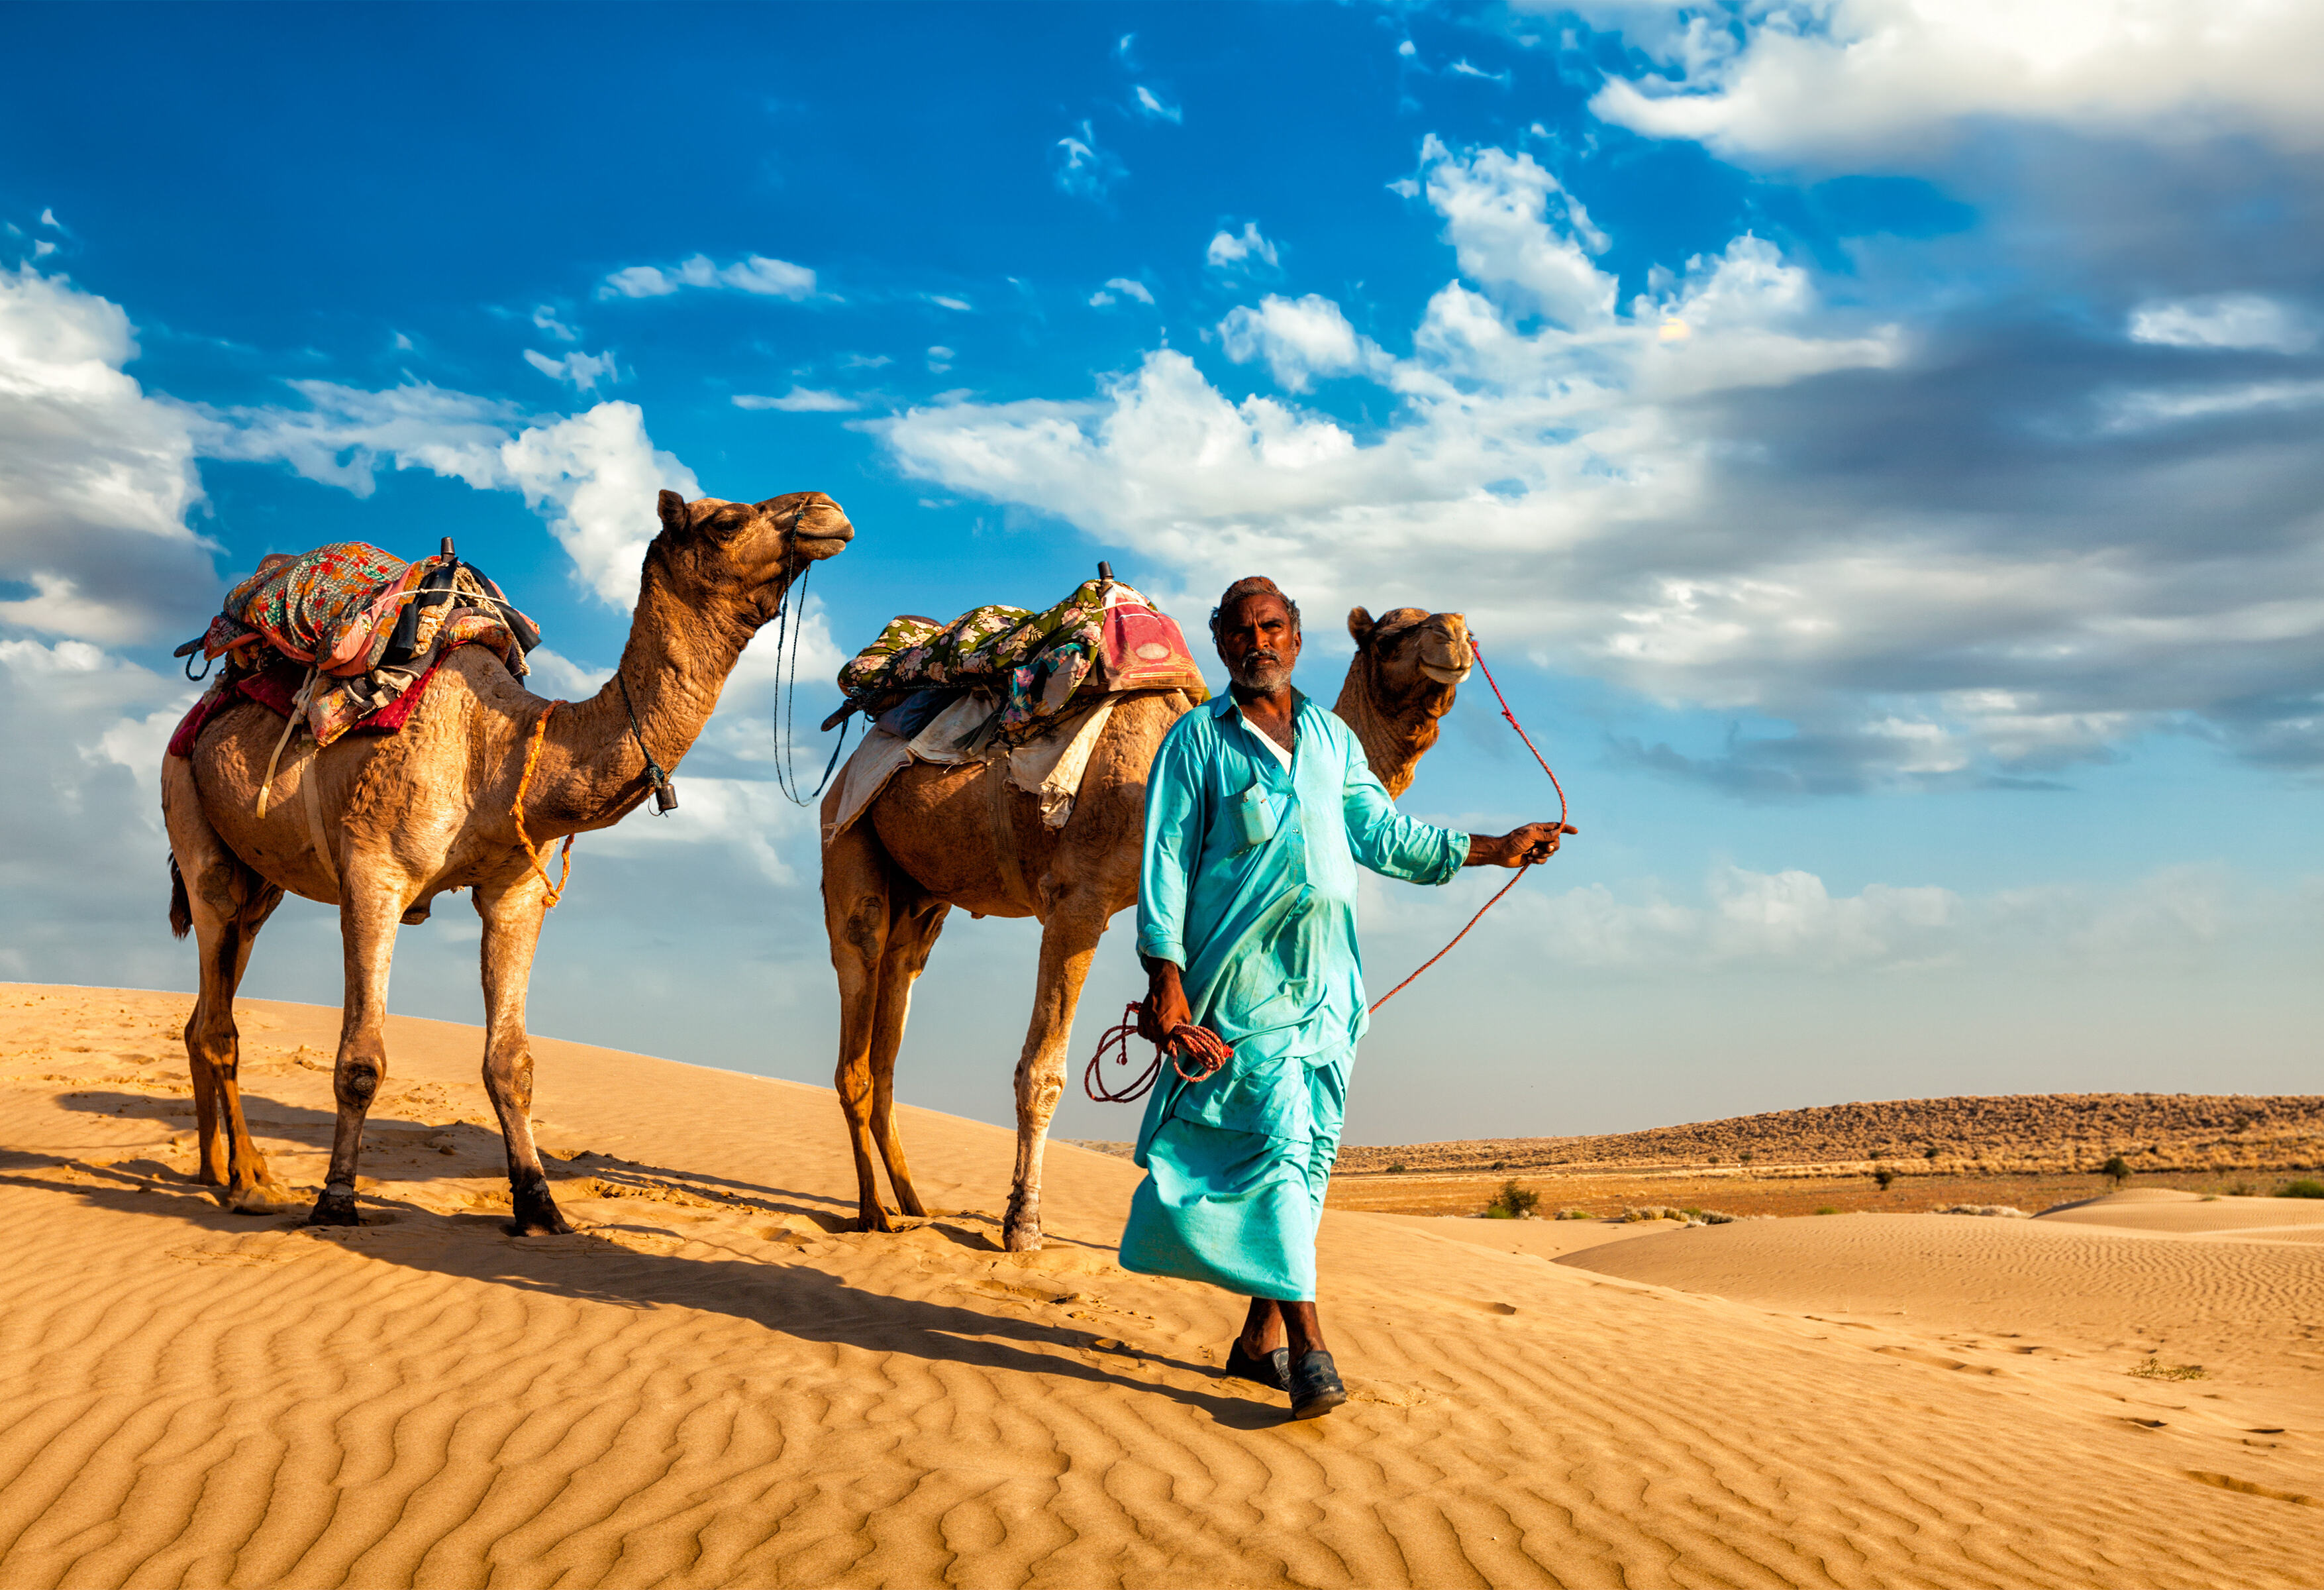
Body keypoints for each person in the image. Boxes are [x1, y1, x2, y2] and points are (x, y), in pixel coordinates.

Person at [1120, 576, 1574, 1419]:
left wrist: (1494, 848)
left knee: (1305, 1156)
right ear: (1221, 644)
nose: (1259, 641)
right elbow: (1163, 865)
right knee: (1279, 1143)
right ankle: (1311, 1349)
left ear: (1296, 639)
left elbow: (1384, 836)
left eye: (1273, 626)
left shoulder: (1331, 741)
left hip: (1330, 988)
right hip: (1241, 986)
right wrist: (1166, 985)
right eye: (1242, 629)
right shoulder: (1195, 743)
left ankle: (1256, 1341)